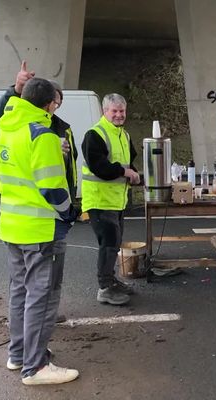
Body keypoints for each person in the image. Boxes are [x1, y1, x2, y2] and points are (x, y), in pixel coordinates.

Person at [0, 77, 79, 384]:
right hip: (41, 229)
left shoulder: (6, 129)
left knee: (19, 292)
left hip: (12, 226)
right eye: (55, 103)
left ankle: (18, 355)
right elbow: (53, 189)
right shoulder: (41, 135)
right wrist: (71, 213)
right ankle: (36, 367)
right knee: (42, 297)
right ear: (47, 104)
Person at [81, 93, 140, 306]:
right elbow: (100, 167)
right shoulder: (95, 134)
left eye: (121, 111)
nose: (118, 115)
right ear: (104, 112)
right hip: (99, 200)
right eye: (114, 111)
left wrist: (135, 174)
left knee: (113, 244)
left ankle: (111, 281)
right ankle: (105, 288)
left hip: (116, 201)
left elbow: (127, 163)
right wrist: (126, 173)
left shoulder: (123, 135)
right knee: (109, 245)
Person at [0, 61, 78, 201]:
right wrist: (16, 90)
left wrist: (70, 199)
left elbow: (71, 169)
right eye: (52, 102)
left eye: (58, 103)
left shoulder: (64, 128)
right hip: (30, 203)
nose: (53, 107)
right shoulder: (18, 122)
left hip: (49, 204)